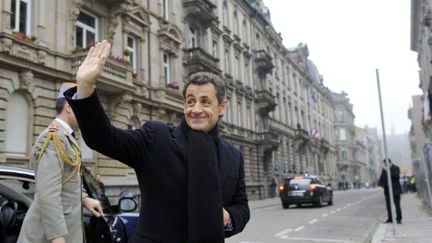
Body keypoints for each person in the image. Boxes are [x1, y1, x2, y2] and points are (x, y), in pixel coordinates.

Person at [63, 40, 250, 243]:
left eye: (205, 102)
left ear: (222, 107)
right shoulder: (156, 137)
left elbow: (241, 207)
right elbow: (104, 138)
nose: (196, 109)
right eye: (190, 101)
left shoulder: (233, 156)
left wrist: (228, 218)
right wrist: (85, 87)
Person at [17, 83, 104, 243]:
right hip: (49, 236)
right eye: (83, 108)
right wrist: (57, 237)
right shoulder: (53, 138)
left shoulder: (66, 137)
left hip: (67, 231)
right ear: (70, 107)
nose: (86, 114)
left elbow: (68, 180)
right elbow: (48, 193)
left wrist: (84, 199)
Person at [378, 158, 402, 224]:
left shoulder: (396, 167)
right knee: (388, 206)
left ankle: (399, 219)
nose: (385, 164)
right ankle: (390, 218)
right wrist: (381, 185)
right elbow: (381, 179)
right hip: (387, 191)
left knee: (397, 205)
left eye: (386, 163)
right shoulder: (384, 170)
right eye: (384, 163)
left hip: (395, 190)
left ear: (390, 162)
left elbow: (396, 176)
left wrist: (388, 171)